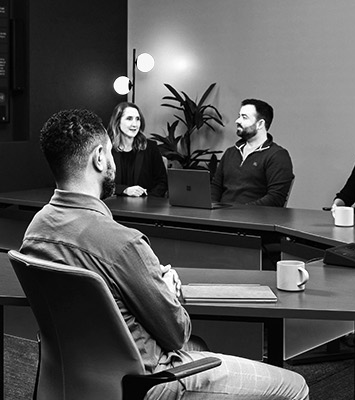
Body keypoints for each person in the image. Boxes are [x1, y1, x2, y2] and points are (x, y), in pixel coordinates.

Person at [21, 109, 308, 400]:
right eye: (108, 152)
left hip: (73, 373)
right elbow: (177, 334)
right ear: (98, 157)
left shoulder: (35, 229)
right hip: (148, 379)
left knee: (200, 345)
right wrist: (167, 289)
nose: (111, 161)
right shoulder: (123, 243)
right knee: (295, 386)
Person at [210, 99, 295, 206]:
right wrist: (212, 209)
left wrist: (239, 212)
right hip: (221, 217)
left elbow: (275, 198)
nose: (237, 121)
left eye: (244, 117)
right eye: (239, 116)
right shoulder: (230, 152)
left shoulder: (277, 155)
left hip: (254, 218)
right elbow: (216, 187)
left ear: (260, 124)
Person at [108, 101, 166, 197]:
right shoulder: (107, 149)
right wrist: (124, 190)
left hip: (145, 206)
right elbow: (100, 184)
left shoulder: (151, 147)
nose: (135, 124)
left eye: (137, 119)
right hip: (114, 206)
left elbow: (162, 182)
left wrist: (147, 199)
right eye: (129, 119)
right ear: (117, 122)